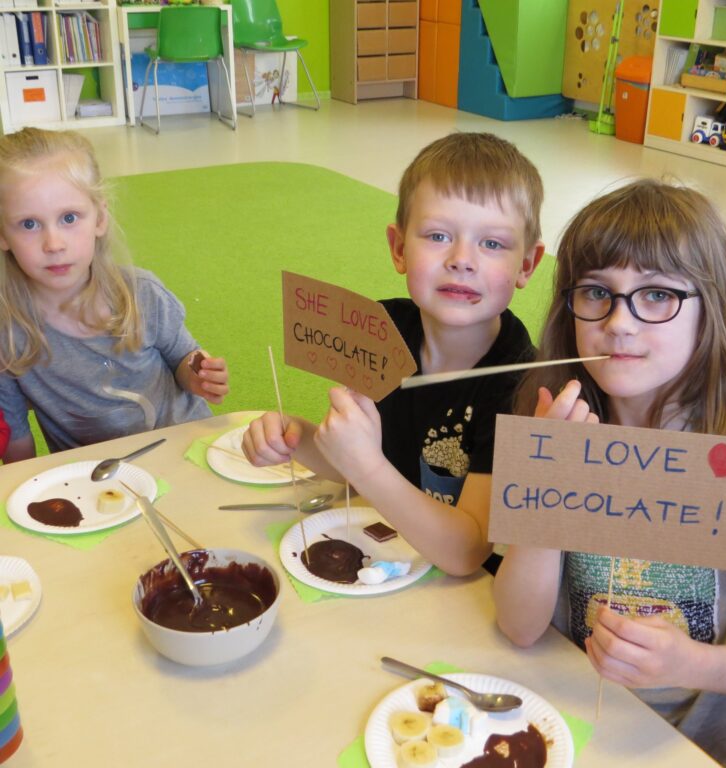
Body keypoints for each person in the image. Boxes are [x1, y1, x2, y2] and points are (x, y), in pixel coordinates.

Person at [492, 179, 726, 768]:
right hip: (570, 726)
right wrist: (548, 481)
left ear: (712, 310)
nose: (619, 322)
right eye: (597, 292)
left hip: (701, 748)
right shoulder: (550, 423)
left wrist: (689, 663)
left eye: (657, 296)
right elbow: (519, 626)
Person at [243, 132, 545, 575]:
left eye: (493, 243)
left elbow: (468, 551)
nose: (462, 259)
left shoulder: (521, 384)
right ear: (399, 248)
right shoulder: (381, 331)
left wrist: (365, 467)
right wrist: (295, 437)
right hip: (389, 554)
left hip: (465, 597)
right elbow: (357, 459)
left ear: (527, 265)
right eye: (438, 235)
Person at [0, 128, 229, 462]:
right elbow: (16, 440)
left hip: (185, 451)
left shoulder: (142, 294)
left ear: (100, 218)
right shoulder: (8, 333)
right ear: (3, 234)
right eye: (29, 224)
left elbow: (184, 357)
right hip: (95, 480)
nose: (53, 244)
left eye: (68, 218)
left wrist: (200, 376)